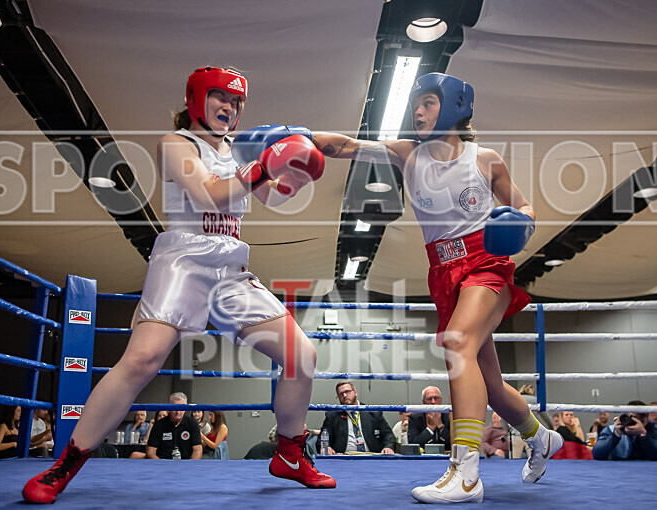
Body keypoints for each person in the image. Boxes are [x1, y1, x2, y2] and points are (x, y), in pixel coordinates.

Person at [22, 66, 334, 503]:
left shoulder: (241, 150)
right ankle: (65, 465)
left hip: (231, 264)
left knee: (301, 354)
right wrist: (266, 165)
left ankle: (290, 453)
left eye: (237, 102)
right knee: (142, 361)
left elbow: (273, 195)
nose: (230, 108)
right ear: (196, 100)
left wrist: (296, 174)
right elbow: (209, 193)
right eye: (221, 98)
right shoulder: (175, 144)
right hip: (184, 259)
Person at [260, 71, 561, 502]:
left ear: (455, 106)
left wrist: (523, 224)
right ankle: (540, 437)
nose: (417, 110)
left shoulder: (485, 158)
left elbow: (523, 204)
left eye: (428, 102)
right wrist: (293, 135)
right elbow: (343, 146)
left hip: (486, 263)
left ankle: (467, 473)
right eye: (415, 103)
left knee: (457, 345)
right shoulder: (408, 155)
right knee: (487, 382)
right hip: (442, 273)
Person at [319, 381, 395, 454]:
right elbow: (321, 439)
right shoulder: (332, 415)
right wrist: (326, 447)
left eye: (347, 392)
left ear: (355, 392)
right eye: (341, 394)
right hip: (343, 458)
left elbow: (388, 435)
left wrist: (388, 447)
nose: (345, 395)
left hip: (371, 456)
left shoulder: (372, 412)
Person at [592, 400, 657, 461]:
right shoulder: (615, 427)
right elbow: (597, 454)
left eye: (641, 420)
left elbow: (656, 456)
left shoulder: (651, 427)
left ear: (647, 418)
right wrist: (616, 434)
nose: (637, 423)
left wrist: (643, 434)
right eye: (633, 418)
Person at [144, 393, 202, 460]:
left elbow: (197, 450)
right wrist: (161, 465)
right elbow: (150, 452)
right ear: (169, 408)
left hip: (186, 464)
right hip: (163, 463)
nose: (178, 412)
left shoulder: (192, 423)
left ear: (185, 408)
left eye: (181, 408)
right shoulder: (159, 425)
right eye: (175, 408)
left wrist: (190, 466)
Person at [408, 386, 450, 451]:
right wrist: (430, 429)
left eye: (436, 398)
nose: (433, 402)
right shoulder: (415, 417)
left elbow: (453, 443)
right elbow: (413, 445)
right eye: (429, 399)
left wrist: (440, 426)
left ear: (441, 400)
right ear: (424, 402)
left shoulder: (449, 416)